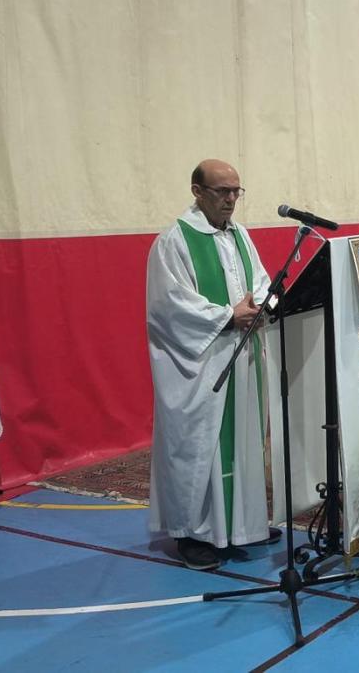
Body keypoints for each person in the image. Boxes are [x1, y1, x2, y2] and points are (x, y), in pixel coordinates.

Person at [146, 159, 275, 571]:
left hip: (241, 356)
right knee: (199, 446)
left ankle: (240, 527)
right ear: (197, 191)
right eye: (223, 192)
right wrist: (225, 316)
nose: (231, 200)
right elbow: (169, 307)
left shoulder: (240, 235)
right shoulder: (174, 241)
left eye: (237, 191)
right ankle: (194, 534)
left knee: (243, 442)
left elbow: (259, 281)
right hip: (201, 364)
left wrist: (261, 304)